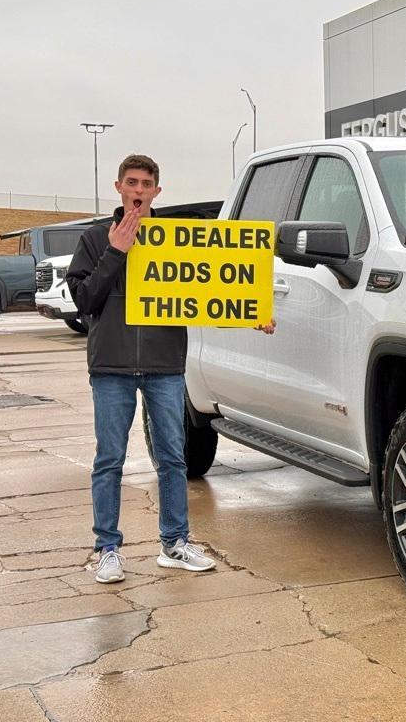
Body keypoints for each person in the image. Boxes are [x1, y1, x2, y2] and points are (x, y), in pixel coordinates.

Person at [67, 154, 275, 583]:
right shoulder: (93, 238)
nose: (139, 190)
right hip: (112, 366)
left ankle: (175, 543)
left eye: (146, 184)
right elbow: (85, 300)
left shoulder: (176, 240)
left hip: (163, 365)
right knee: (109, 459)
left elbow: (206, 289)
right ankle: (107, 549)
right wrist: (116, 251)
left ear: (157, 192)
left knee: (172, 459)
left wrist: (250, 308)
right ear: (119, 187)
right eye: (132, 183)